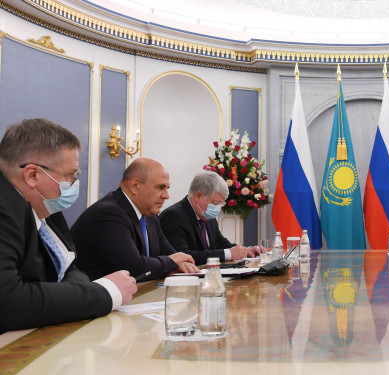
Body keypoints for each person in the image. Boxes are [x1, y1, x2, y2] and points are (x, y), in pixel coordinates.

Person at [0, 118, 137, 332]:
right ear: (33, 175)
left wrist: (76, 294)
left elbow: (69, 268)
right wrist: (104, 292)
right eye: (70, 176)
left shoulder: (46, 208)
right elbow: (9, 302)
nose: (74, 184)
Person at [71, 158, 200, 281]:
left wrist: (177, 263)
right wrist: (171, 262)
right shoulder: (108, 213)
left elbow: (172, 256)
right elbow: (134, 269)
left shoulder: (150, 215)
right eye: (160, 187)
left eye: (167, 188)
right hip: (96, 294)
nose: (166, 196)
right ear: (134, 186)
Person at [160, 171, 260, 265]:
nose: (217, 208)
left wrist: (245, 251)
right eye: (215, 203)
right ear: (198, 196)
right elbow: (183, 256)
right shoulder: (173, 216)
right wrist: (228, 254)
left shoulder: (207, 215)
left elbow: (221, 243)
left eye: (220, 204)